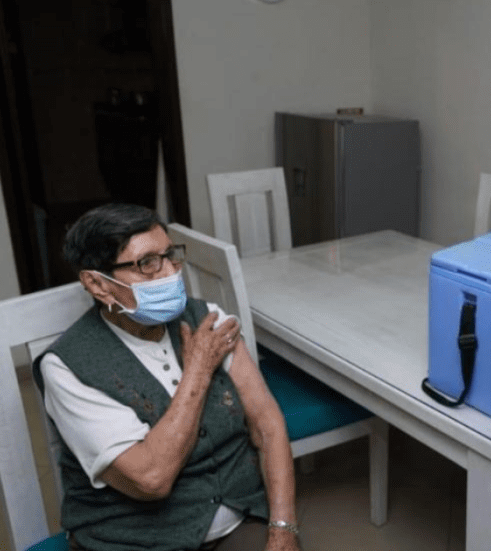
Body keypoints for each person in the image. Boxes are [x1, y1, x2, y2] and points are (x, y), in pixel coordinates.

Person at [34, 203, 301, 551]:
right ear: (98, 284)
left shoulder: (207, 319)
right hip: (135, 541)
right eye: (147, 263)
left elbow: (268, 425)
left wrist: (282, 529)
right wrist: (198, 372)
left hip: (239, 519)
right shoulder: (67, 367)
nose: (171, 273)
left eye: (170, 256)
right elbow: (151, 479)